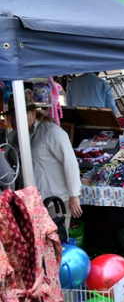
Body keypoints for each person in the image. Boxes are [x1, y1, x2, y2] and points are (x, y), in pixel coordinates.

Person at [5, 95, 82, 224]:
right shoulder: (13, 137)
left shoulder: (51, 132)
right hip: (29, 201)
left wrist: (74, 196)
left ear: (33, 114)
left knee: (56, 242)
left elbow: (70, 163)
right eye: (13, 116)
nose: (16, 120)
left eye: (20, 115)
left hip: (54, 200)